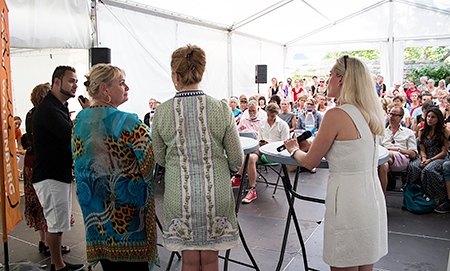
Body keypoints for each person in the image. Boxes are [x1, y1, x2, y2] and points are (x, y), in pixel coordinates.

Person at [284, 55, 387, 270]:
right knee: (364, 263)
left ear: (341, 79)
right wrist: (314, 143)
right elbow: (349, 147)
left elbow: (310, 162)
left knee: (343, 261)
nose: (327, 80)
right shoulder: (370, 112)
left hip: (347, 200)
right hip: (371, 196)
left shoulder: (336, 114)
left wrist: (294, 150)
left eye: (330, 75)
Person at [152, 44, 243, 271]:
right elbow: (236, 158)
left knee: (190, 261)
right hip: (217, 194)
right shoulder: (222, 109)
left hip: (178, 195)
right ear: (201, 72)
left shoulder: (161, 112)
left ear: (175, 75)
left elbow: (160, 158)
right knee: (211, 260)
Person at [72, 64, 158, 271]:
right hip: (127, 215)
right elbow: (149, 162)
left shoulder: (79, 120)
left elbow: (79, 160)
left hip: (94, 208)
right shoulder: (127, 121)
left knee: (109, 266)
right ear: (104, 89)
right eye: (121, 83)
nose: (127, 87)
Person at [32, 66, 84, 271]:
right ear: (56, 81)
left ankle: (58, 263)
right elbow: (71, 135)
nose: (75, 85)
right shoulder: (48, 110)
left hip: (57, 173)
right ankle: (58, 266)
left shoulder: (58, 107)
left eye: (76, 81)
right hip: (50, 175)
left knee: (59, 223)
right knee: (55, 223)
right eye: (71, 81)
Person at [23, 83, 72, 257]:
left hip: (32, 163)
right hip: (46, 167)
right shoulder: (46, 112)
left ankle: (45, 243)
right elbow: (67, 135)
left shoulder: (32, 113)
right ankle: (55, 256)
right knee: (52, 214)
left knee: (41, 207)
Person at [407, 107, 448, 198]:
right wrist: (424, 158)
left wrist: (430, 160)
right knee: (413, 167)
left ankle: (436, 196)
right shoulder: (422, 130)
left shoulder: (445, 131)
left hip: (439, 157)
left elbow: (444, 152)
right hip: (425, 155)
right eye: (428, 116)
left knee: (428, 170)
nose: (429, 119)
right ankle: (413, 193)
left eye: (433, 117)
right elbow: (422, 148)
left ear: (438, 119)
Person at [378, 106, 417, 194]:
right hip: (386, 159)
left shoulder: (408, 132)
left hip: (402, 158)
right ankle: (381, 196)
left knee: (386, 155)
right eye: (390, 114)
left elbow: (413, 154)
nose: (391, 117)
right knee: (383, 164)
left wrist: (397, 150)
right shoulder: (382, 132)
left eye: (395, 115)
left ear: (401, 117)